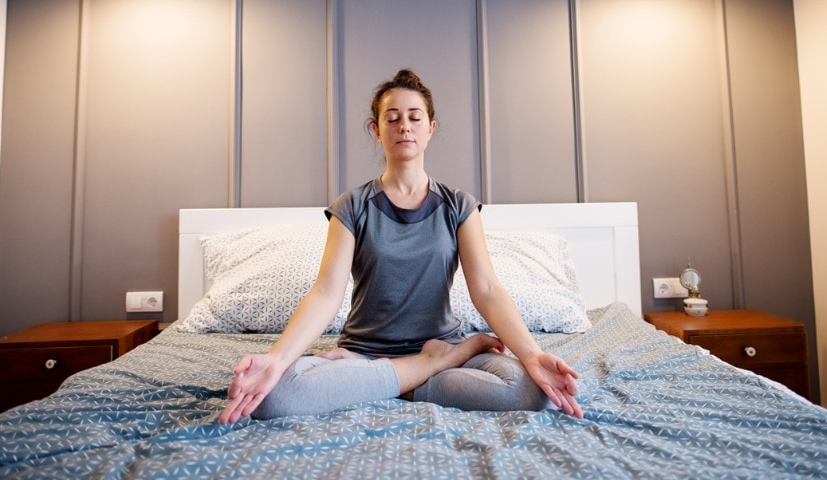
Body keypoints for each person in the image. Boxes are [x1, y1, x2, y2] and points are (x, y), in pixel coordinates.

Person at [219, 69, 582, 424]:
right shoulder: (353, 205)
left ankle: (400, 376)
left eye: (414, 117)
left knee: (531, 391)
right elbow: (326, 293)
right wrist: (277, 360)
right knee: (272, 396)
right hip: (365, 354)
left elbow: (487, 289)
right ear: (377, 131)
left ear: (430, 128)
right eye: (392, 119)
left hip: (444, 345)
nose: (404, 126)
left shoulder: (458, 205)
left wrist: (533, 355)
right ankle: (427, 367)